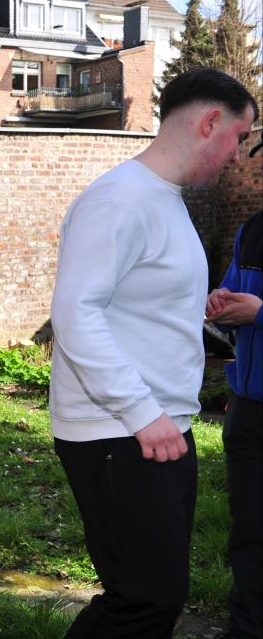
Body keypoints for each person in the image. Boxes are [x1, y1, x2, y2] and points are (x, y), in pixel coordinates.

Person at [49, 67, 257, 639]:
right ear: (209, 121)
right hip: (121, 430)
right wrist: (143, 415)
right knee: (143, 600)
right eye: (240, 138)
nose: (240, 158)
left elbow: (145, 312)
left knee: (154, 597)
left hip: (156, 426)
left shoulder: (163, 200)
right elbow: (75, 314)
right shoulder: (119, 199)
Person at [205, 130, 263, 639]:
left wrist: (262, 314)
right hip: (248, 409)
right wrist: (220, 306)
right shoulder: (253, 231)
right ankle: (246, 625)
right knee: (249, 528)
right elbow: (233, 297)